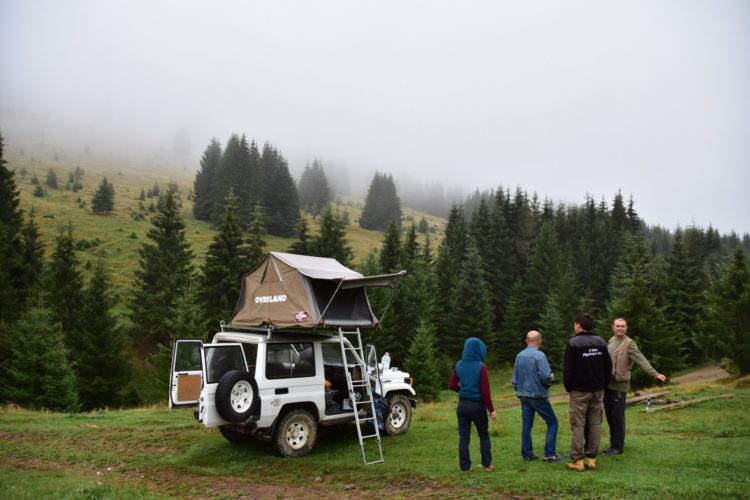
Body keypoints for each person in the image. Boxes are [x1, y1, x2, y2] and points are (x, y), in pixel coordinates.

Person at [602, 318, 667, 456]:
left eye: (623, 326)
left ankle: (618, 448)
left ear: (626, 328)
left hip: (619, 386)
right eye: (618, 326)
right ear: (613, 327)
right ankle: (613, 445)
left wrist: (655, 374)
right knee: (610, 416)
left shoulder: (629, 344)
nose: (620, 328)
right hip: (607, 385)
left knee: (618, 417)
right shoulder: (611, 341)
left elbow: (641, 360)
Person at [563, 313, 612, 472]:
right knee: (596, 422)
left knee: (578, 423)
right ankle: (591, 459)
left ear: (578, 325)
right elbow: (608, 367)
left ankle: (577, 460)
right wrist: (604, 384)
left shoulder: (573, 343)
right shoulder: (601, 342)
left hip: (579, 391)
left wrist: (569, 387)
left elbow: (568, 370)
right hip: (597, 390)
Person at [512, 331, 563, 462]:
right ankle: (550, 454)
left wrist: (519, 390)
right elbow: (546, 376)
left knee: (527, 425)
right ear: (540, 341)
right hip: (538, 395)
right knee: (552, 422)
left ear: (526, 341)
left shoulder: (519, 356)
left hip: (523, 394)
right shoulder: (540, 356)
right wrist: (550, 379)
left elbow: (515, 379)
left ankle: (527, 454)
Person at [449, 337, 497, 472]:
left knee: (464, 437)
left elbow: (452, 385)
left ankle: (465, 467)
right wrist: (492, 410)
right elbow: (485, 392)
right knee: (483, 435)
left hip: (463, 406)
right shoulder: (481, 367)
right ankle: (487, 465)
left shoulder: (459, 364)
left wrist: (463, 391)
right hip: (477, 406)